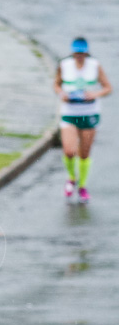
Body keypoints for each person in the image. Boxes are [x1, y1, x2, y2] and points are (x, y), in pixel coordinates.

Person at [54, 37, 112, 203]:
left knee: (84, 153)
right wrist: (62, 94)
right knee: (69, 151)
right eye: (76, 53)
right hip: (70, 113)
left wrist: (94, 94)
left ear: (86, 53)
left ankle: (82, 186)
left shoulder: (95, 66)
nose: (79, 56)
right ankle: (71, 177)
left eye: (82, 53)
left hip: (89, 113)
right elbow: (56, 84)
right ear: (73, 53)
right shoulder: (64, 65)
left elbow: (108, 87)